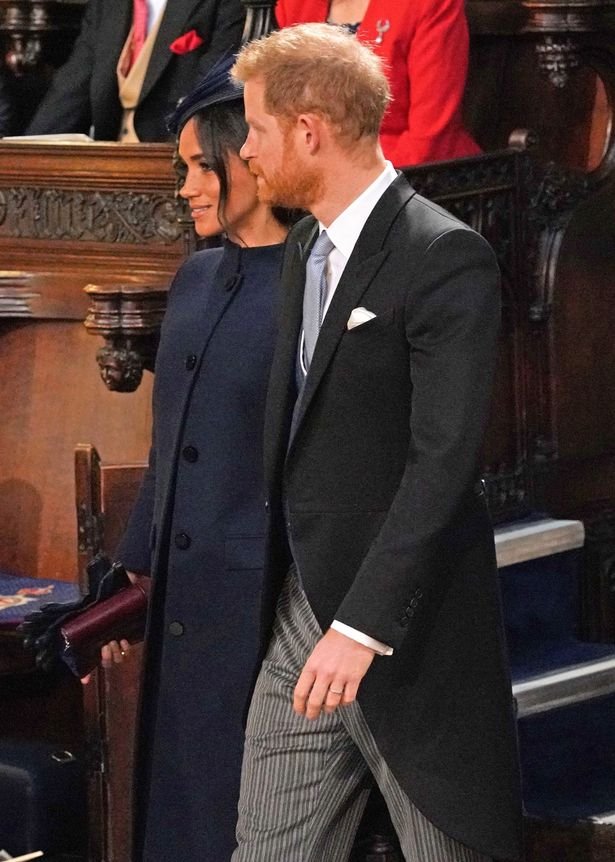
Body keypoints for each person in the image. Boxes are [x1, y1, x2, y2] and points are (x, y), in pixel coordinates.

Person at [230, 23, 523, 861]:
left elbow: (443, 462)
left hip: (408, 629)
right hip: (300, 611)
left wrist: (361, 626)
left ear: (308, 130)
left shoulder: (443, 255)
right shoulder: (300, 251)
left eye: (254, 127)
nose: (244, 150)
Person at [102, 56, 290, 861]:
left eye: (195, 166)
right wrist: (131, 578)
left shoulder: (316, 284)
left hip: (260, 607)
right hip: (184, 601)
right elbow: (168, 441)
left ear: (247, 156)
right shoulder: (194, 278)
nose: (186, 188)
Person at [275, 0, 481, 167]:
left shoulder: (430, 4)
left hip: (414, 179)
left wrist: (342, 177)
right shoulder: (292, 5)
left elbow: (428, 139)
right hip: (312, 172)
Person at [26, 0, 245, 141]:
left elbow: (212, 97)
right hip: (111, 166)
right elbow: (71, 92)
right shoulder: (108, 6)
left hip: (179, 165)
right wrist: (22, 157)